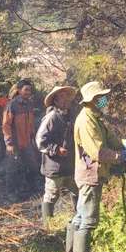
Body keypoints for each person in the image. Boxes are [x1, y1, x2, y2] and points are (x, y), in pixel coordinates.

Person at [69, 81, 126, 252]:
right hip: (90, 174)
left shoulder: (95, 117)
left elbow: (109, 139)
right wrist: (121, 156)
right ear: (92, 100)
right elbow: (98, 153)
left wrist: (124, 143)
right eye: (101, 97)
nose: (104, 100)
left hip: (92, 173)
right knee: (88, 218)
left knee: (80, 214)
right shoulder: (86, 120)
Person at [35, 85, 78, 223]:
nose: (66, 99)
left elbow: (97, 105)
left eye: (67, 96)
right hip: (54, 165)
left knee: (76, 190)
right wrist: (56, 149)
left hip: (70, 164)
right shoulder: (52, 117)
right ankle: (48, 225)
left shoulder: (72, 114)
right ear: (56, 100)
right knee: (52, 195)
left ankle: (79, 217)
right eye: (62, 97)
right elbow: (40, 141)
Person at [2, 79, 40, 197]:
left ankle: (32, 190)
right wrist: (9, 143)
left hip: (27, 142)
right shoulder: (12, 105)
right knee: (12, 169)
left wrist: (33, 138)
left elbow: (31, 123)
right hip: (15, 144)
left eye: (30, 90)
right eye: (26, 90)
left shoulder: (29, 104)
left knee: (32, 165)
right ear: (19, 90)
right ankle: (11, 193)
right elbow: (6, 125)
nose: (28, 92)